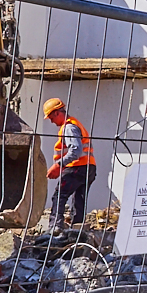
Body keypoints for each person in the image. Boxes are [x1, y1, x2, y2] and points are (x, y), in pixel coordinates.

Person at [44, 97, 97, 227]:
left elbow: (75, 151)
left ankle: (55, 228)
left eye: (51, 117)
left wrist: (58, 165)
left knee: (59, 196)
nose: (51, 121)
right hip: (88, 168)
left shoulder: (69, 127)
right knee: (79, 200)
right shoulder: (74, 124)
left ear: (57, 112)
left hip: (77, 167)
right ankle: (77, 229)